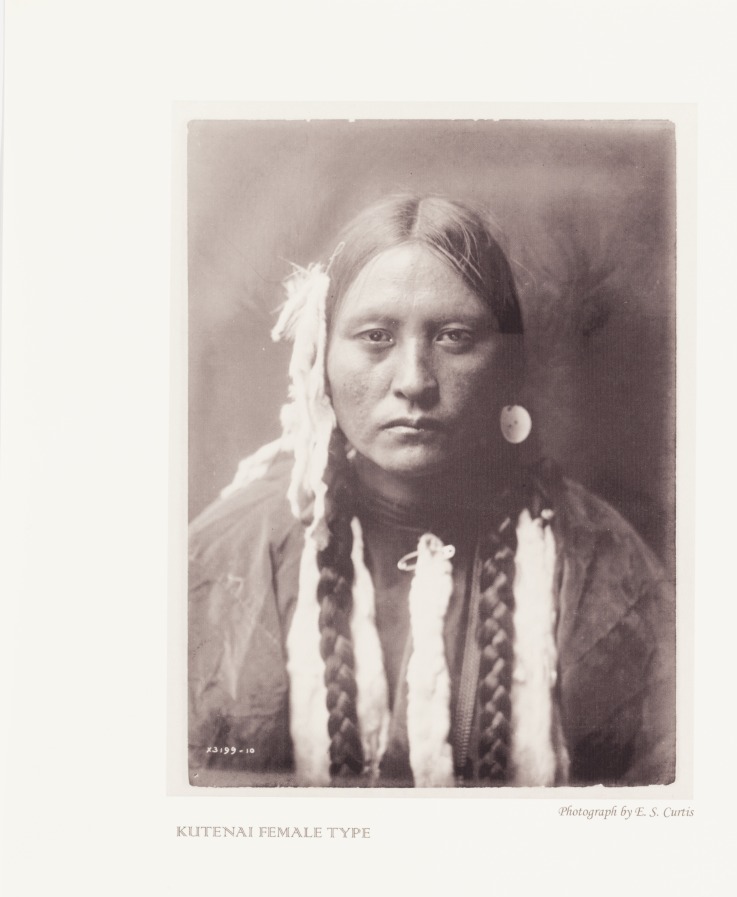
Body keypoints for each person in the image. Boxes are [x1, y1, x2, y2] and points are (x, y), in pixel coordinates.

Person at [189, 194, 674, 787]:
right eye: (374, 336)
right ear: (319, 359)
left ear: (508, 365)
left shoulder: (594, 559)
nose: (414, 381)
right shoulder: (233, 554)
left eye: (453, 337)